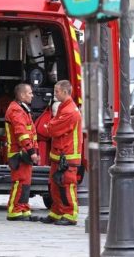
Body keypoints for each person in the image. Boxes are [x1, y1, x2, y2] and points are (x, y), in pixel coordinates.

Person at [40, 80, 82, 226]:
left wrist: (49, 124)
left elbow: (51, 129)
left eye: (57, 91)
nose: (54, 93)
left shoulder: (69, 111)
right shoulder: (64, 108)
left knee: (67, 185)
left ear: (65, 92)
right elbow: (52, 127)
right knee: (55, 185)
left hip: (67, 156)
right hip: (59, 154)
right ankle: (57, 212)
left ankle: (70, 214)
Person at [5, 83, 40, 221]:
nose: (32, 95)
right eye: (30, 93)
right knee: (20, 181)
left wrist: (34, 150)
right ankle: (14, 210)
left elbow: (31, 133)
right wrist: (32, 151)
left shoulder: (22, 109)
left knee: (25, 182)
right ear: (21, 95)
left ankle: (23, 207)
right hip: (18, 152)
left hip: (23, 152)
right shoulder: (16, 110)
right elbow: (22, 133)